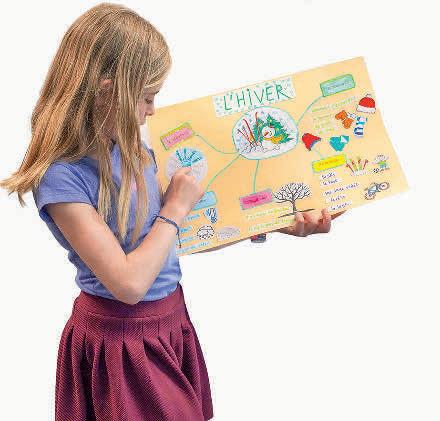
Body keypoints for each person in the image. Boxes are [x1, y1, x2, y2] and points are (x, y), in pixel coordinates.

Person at [0, 3, 343, 420]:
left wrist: (275, 222)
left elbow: (174, 238)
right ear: (108, 91)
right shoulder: (61, 178)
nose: (152, 110)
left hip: (169, 321)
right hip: (121, 340)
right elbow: (129, 284)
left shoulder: (133, 150)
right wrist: (176, 206)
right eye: (147, 97)